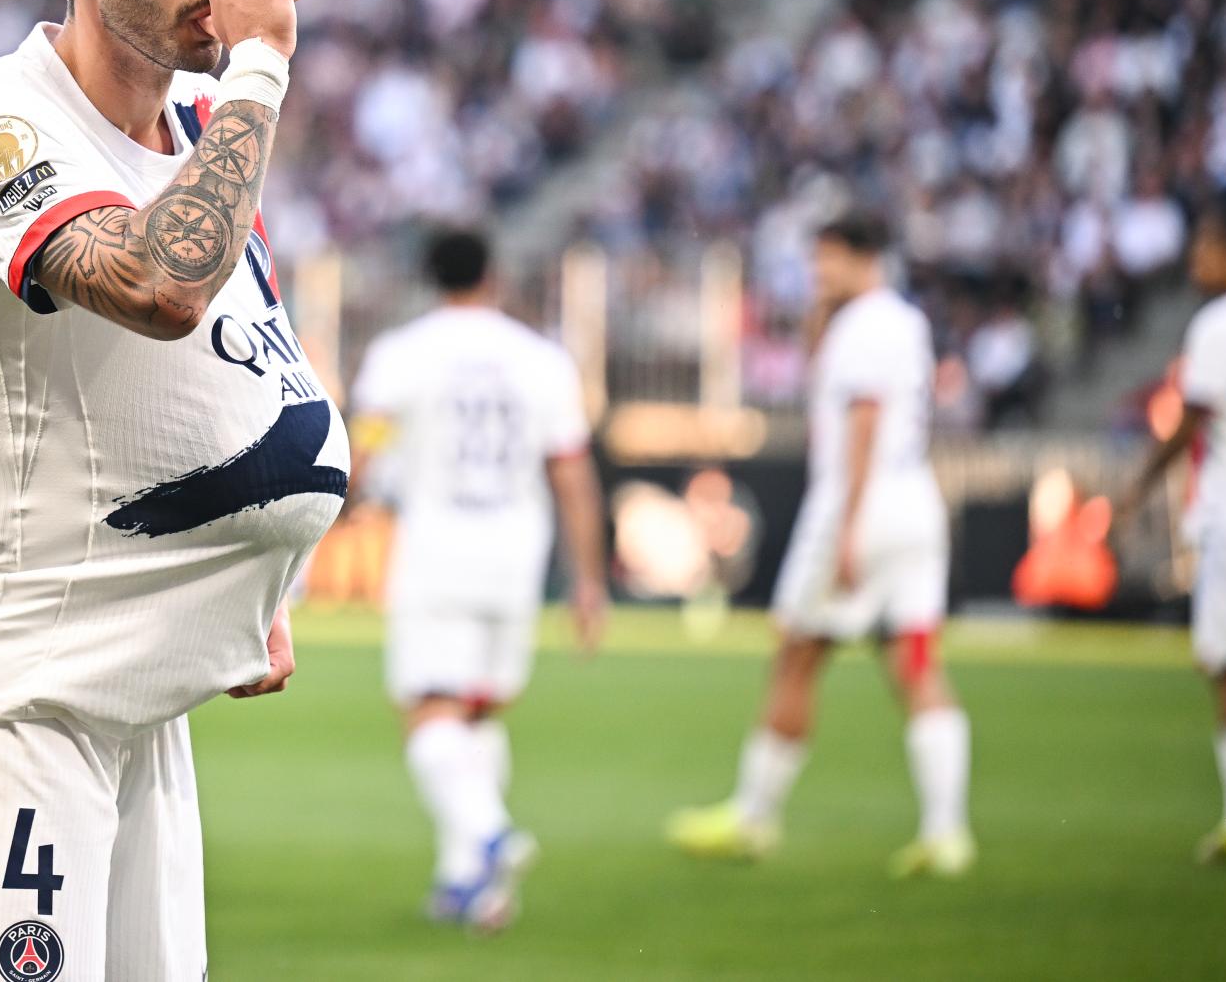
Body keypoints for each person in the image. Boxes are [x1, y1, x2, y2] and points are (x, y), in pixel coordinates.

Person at [0, 0, 347, 981]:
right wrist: (261, 69)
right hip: (13, 691)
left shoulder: (194, 122)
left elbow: (240, 348)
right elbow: (159, 284)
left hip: (131, 684)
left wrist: (256, 580)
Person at [667, 210, 975, 878]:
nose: (816, 273)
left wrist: (849, 529)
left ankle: (753, 815)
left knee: (796, 656)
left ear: (862, 256)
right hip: (913, 503)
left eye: (826, 259)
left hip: (858, 506)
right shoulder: (902, 319)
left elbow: (863, 421)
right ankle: (947, 830)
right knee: (916, 658)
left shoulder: (863, 326)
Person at [347, 227, 608, 931]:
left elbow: (364, 449)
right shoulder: (541, 359)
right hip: (516, 553)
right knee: (479, 713)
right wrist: (589, 578)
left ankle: (490, 832)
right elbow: (572, 473)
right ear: (492, 274)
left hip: (438, 548)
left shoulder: (403, 353)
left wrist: (333, 513)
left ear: (430, 277)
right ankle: (472, 883)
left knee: (429, 711)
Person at [1116, 205, 1226, 875]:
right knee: (1224, 658)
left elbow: (1194, 415)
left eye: (1208, 249)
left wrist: (1135, 488)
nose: (1196, 262)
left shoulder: (1222, 322)